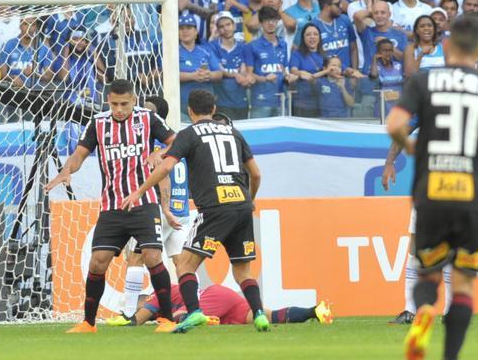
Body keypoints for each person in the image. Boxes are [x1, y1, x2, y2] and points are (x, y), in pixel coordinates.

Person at [387, 14, 478, 360]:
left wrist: (409, 146)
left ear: (446, 46)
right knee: (462, 283)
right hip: (471, 194)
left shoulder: (423, 80)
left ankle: (424, 311)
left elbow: (394, 125)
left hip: (431, 190)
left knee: (428, 270)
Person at [121, 88, 268, 334]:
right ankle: (260, 314)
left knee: (186, 265)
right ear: (213, 109)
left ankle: (194, 313)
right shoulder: (234, 132)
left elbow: (166, 168)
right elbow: (256, 173)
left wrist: (140, 190)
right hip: (241, 205)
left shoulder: (189, 133)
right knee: (243, 270)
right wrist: (250, 200)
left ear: (189, 111)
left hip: (214, 207)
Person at [45, 79, 179, 333]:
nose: (119, 109)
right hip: (112, 206)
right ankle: (88, 323)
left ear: (134, 100)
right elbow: (80, 153)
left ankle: (167, 320)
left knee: (152, 256)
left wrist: (160, 152)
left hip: (144, 203)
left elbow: (177, 140)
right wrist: (66, 170)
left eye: (124, 104)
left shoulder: (148, 119)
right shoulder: (98, 122)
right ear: (108, 100)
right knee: (98, 261)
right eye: (114, 104)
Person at [118, 283, 332, 327]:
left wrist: (127, 321)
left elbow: (138, 320)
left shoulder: (156, 295)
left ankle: (208, 321)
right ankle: (315, 310)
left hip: (213, 297)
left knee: (184, 317)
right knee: (270, 316)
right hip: (225, 298)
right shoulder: (169, 297)